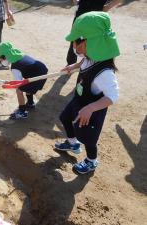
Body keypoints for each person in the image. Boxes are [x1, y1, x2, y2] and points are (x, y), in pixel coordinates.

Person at [55, 11, 120, 174]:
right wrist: (74, 66)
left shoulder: (105, 73)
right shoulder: (91, 55)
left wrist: (91, 108)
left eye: (77, 41)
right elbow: (84, 61)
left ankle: (91, 161)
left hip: (92, 109)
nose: (74, 46)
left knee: (88, 138)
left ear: (92, 42)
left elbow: (113, 96)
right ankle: (72, 143)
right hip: (79, 99)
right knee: (65, 118)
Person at [0, 42, 48, 120]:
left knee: (19, 90)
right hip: (42, 72)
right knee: (26, 84)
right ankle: (30, 103)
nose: (1, 62)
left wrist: (10, 84)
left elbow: (18, 84)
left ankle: (22, 112)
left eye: (0, 59)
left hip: (37, 78)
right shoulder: (21, 56)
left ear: (5, 57)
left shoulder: (15, 67)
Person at [66, 0, 121, 65]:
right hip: (80, 15)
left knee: (93, 42)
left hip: (95, 18)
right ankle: (71, 63)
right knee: (75, 40)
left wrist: (107, 7)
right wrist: (79, 2)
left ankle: (96, 65)